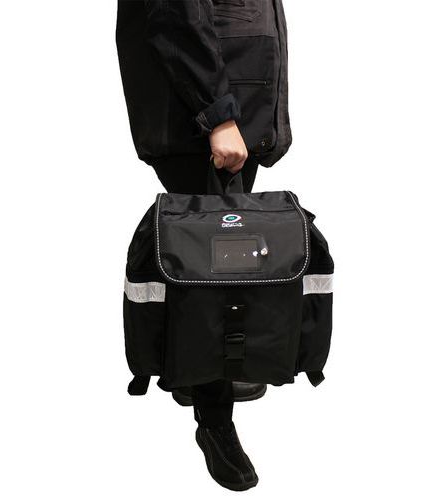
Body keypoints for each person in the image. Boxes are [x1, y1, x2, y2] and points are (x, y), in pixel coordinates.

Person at [116, 0, 291, 491]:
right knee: (214, 271)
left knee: (220, 259)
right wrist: (217, 116)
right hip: (206, 116)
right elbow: (177, 14)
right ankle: (216, 423)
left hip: (232, 107)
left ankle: (202, 370)